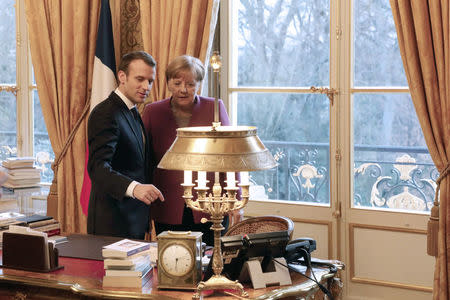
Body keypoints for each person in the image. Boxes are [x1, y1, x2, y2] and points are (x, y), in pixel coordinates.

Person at [142, 55, 241, 246]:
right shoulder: (153, 112)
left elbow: (231, 155)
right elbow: (144, 160)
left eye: (190, 83)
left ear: (199, 84)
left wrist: (235, 198)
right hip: (167, 204)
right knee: (172, 260)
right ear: (168, 83)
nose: (183, 89)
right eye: (177, 83)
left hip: (211, 204)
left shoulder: (214, 107)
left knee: (211, 263)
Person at [87, 51, 164, 239]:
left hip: (133, 220)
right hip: (112, 223)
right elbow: (98, 168)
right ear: (122, 77)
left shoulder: (132, 110)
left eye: (150, 81)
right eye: (140, 79)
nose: (146, 87)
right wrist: (135, 188)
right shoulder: (106, 113)